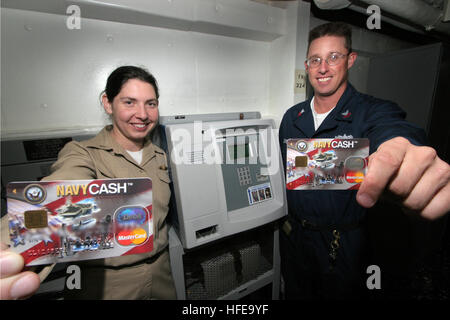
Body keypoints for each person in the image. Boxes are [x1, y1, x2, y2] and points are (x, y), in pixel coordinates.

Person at [279, 22, 450, 299]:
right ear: (307, 65)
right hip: (296, 239)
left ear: (351, 60)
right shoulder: (291, 118)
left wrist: (402, 147)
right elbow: (291, 175)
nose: (323, 68)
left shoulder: (372, 111)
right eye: (315, 60)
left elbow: (394, 131)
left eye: (334, 57)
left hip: (343, 244)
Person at [0, 65, 177, 300]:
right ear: (107, 103)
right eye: (129, 102)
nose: (143, 114)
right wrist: (7, 240)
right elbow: (59, 195)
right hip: (108, 284)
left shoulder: (159, 155)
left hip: (162, 273)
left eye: (151, 104)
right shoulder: (83, 154)